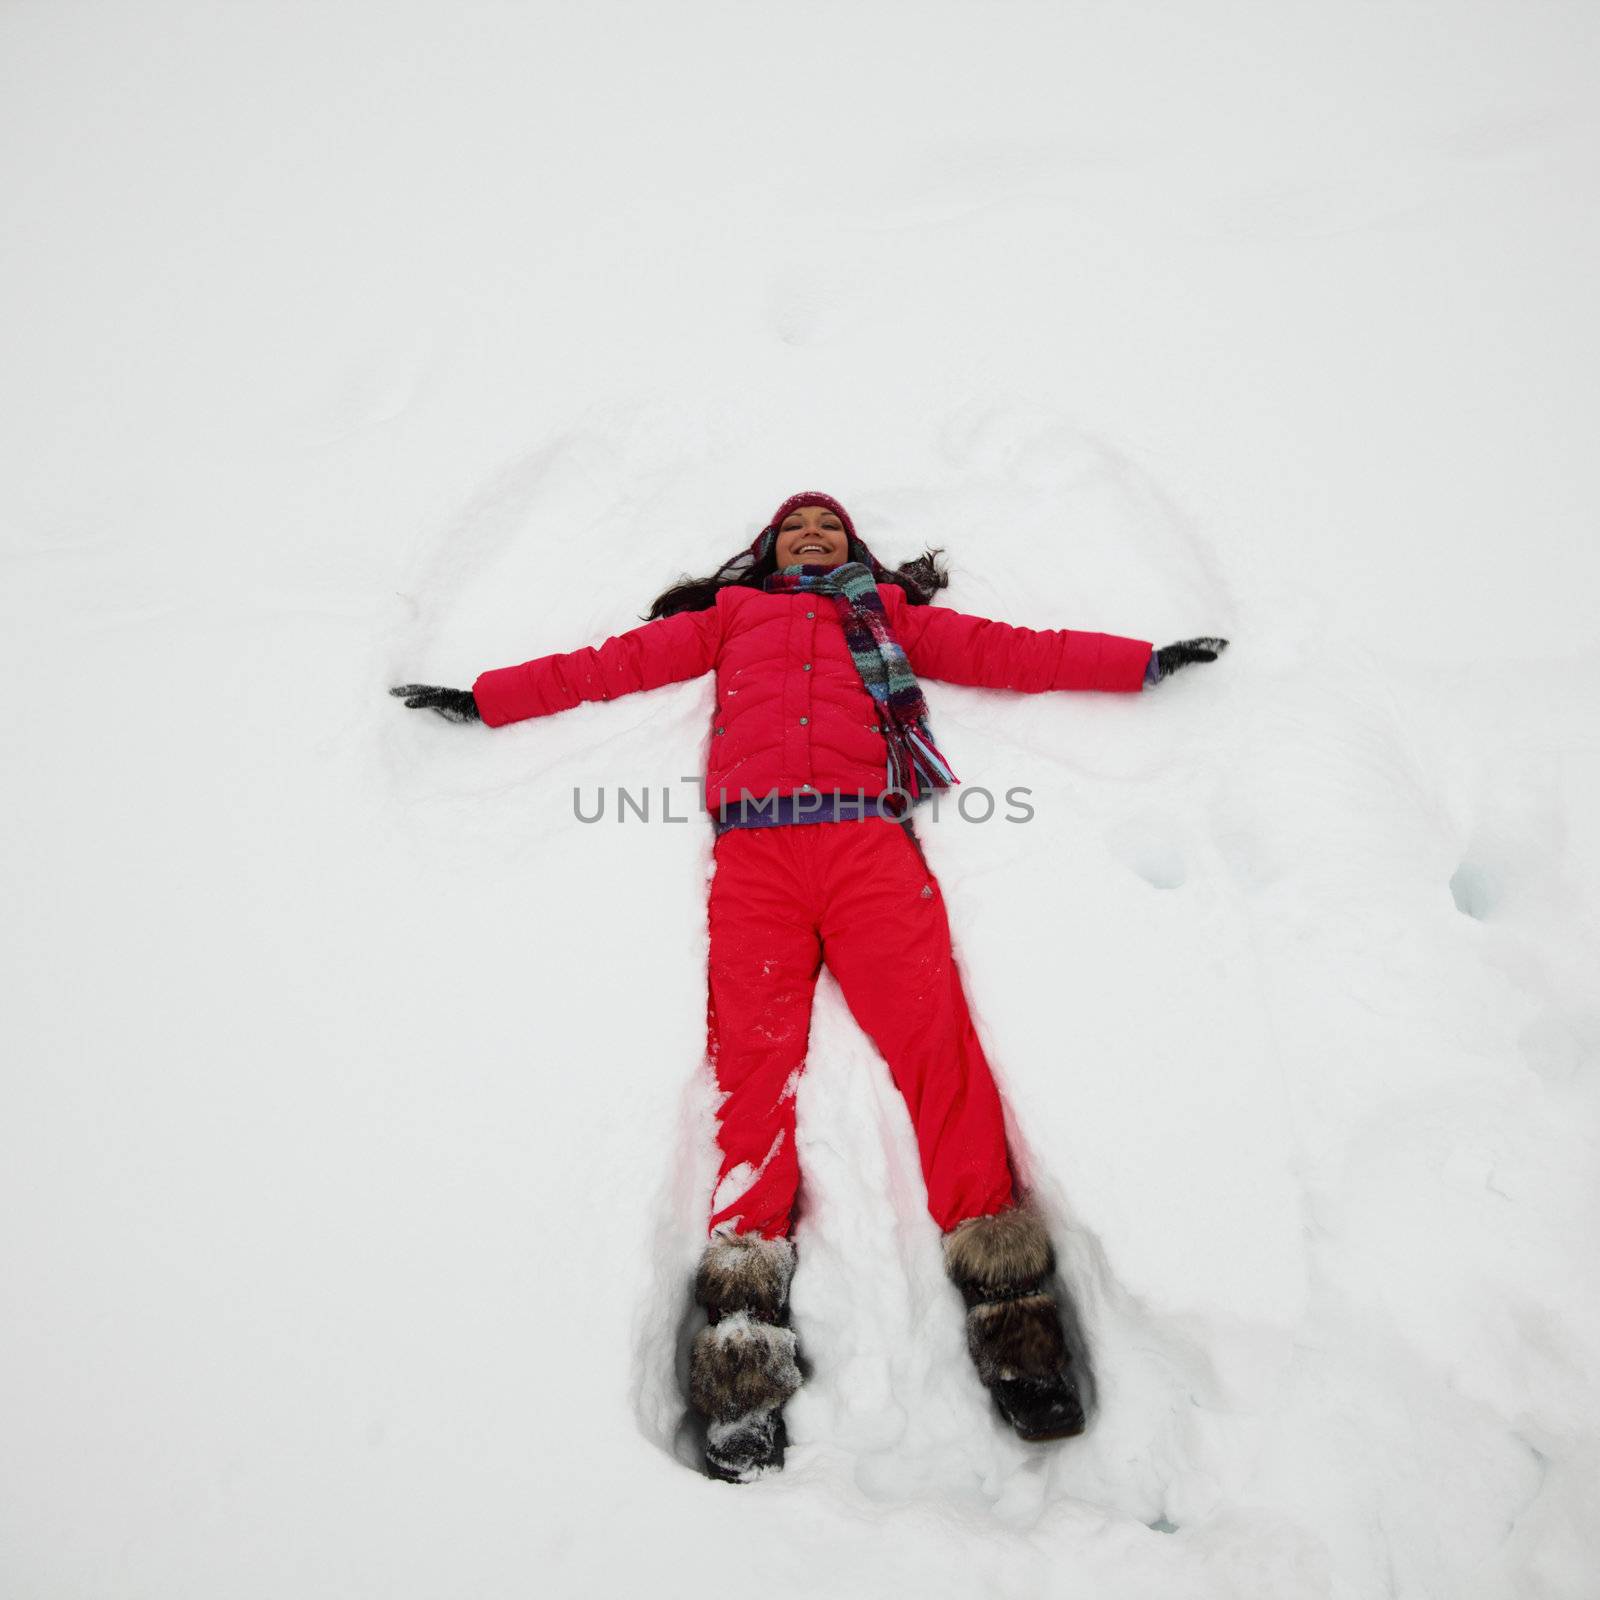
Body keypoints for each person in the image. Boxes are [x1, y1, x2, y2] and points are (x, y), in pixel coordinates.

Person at [392, 490, 1227, 1482]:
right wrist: (486, 699)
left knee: (939, 1058)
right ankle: (740, 1361)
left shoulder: (889, 618)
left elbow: (1017, 651)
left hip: (868, 847)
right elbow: (604, 667)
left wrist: (1138, 663)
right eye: (797, 528)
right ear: (765, 551)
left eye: (830, 526)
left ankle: (1018, 1327)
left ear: (856, 546)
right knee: (755, 1080)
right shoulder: (730, 618)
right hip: (755, 864)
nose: (815, 535)